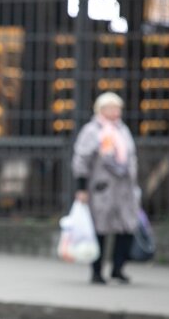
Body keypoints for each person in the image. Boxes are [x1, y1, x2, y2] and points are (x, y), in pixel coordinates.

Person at [72, 92, 139, 285]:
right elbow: (81, 160)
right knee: (99, 230)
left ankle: (118, 269)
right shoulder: (92, 131)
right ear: (101, 109)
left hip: (124, 190)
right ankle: (97, 271)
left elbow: (130, 158)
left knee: (126, 229)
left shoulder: (122, 130)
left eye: (118, 108)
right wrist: (82, 188)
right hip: (101, 189)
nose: (116, 111)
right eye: (112, 108)